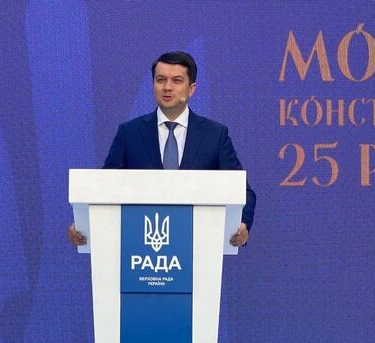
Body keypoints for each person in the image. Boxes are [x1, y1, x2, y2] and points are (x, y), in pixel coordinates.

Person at [68, 51, 256, 246]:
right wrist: (83, 225)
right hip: (140, 246)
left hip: (198, 244)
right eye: (160, 80)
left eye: (176, 81)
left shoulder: (215, 135)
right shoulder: (129, 133)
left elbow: (241, 190)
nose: (167, 87)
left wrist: (242, 224)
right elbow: (104, 188)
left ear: (191, 89)